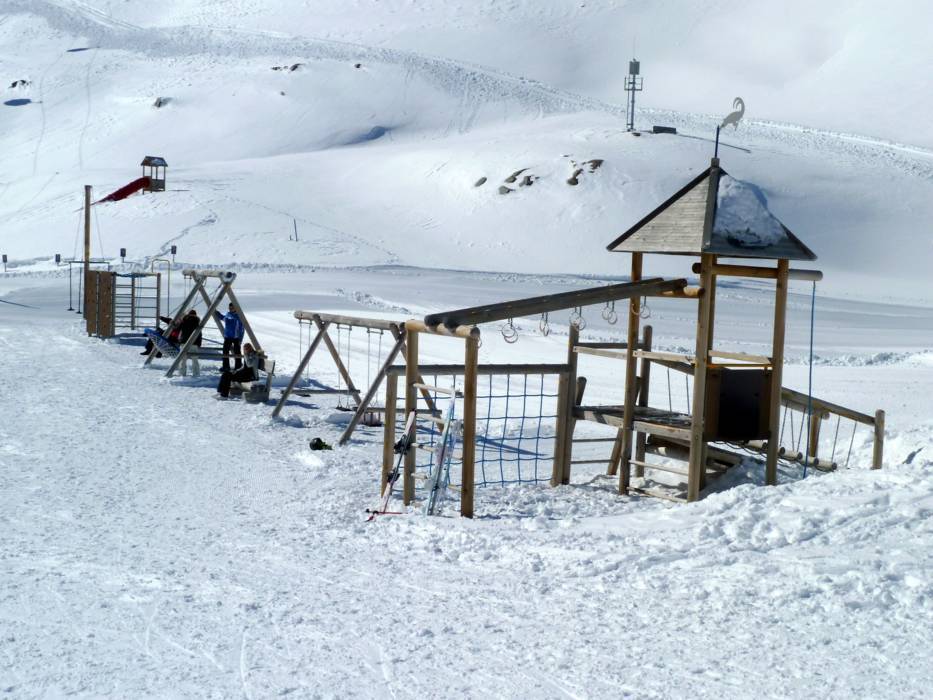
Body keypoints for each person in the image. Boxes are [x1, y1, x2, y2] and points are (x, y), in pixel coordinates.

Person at [177, 309, 202, 377]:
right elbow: (199, 334)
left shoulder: (184, 321)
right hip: (194, 342)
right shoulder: (197, 322)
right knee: (195, 360)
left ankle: (182, 374)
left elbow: (177, 328)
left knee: (183, 360)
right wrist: (199, 344)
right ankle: (196, 374)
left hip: (184, 342)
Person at [221, 303, 245, 372]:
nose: (230, 309)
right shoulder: (228, 314)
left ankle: (238, 366)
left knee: (237, 352)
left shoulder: (238, 316)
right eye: (229, 308)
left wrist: (240, 338)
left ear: (235, 308)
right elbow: (223, 318)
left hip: (235, 337)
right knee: (225, 352)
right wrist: (217, 313)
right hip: (227, 336)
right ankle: (226, 366)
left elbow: (242, 329)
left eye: (232, 308)